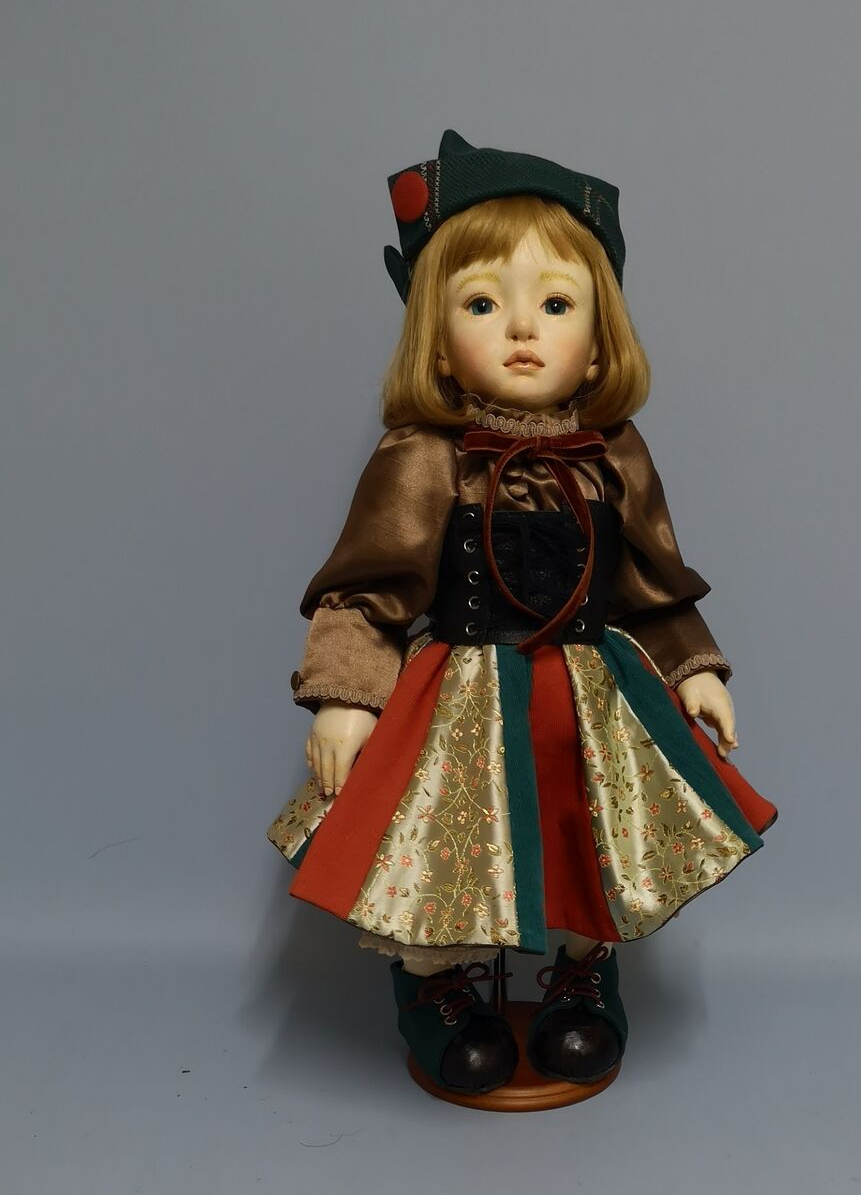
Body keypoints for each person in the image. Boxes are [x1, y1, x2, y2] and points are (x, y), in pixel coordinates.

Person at [267, 129, 777, 1096]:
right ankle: (438, 986)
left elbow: (652, 582)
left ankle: (583, 978)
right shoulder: (423, 459)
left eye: (554, 304)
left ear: (599, 340)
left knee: (590, 834)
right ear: (438, 339)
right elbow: (370, 587)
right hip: (461, 694)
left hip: (590, 695)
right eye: (481, 304)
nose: (521, 329)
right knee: (447, 847)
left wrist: (694, 665)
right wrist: (344, 694)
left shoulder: (615, 456)